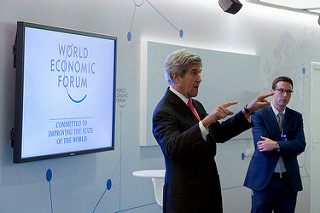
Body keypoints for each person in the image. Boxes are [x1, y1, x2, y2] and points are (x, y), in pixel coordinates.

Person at [152, 49, 273, 213]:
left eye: (200, 72)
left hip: (208, 195)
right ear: (176, 76)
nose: (200, 79)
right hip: (186, 201)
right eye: (194, 73)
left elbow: (220, 133)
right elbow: (172, 147)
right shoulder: (164, 111)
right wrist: (207, 121)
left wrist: (247, 111)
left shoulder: (195, 105)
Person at [244, 76, 306, 213]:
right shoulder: (259, 115)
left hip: (289, 181)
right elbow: (263, 147)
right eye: (281, 90)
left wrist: (276, 145)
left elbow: (301, 144)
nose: (285, 95)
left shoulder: (296, 117)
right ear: (273, 91)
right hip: (265, 180)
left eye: (289, 92)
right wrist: (289, 146)